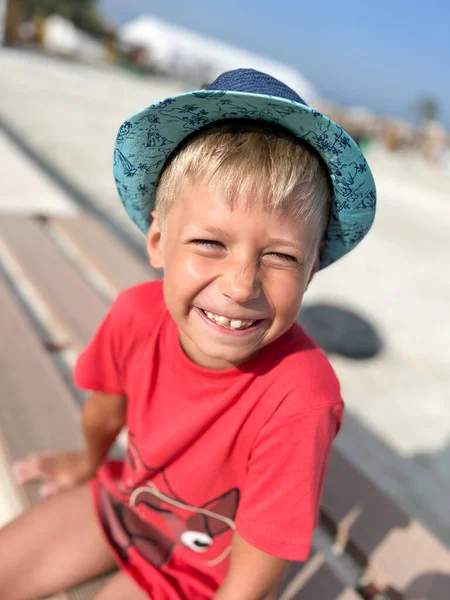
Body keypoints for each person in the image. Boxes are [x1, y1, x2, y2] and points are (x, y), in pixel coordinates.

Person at [0, 68, 376, 600]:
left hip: (206, 573)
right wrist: (88, 463)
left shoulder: (301, 397)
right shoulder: (135, 315)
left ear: (312, 269)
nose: (242, 284)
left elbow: (263, 550)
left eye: (280, 256)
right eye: (210, 243)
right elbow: (105, 408)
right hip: (128, 500)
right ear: (158, 241)